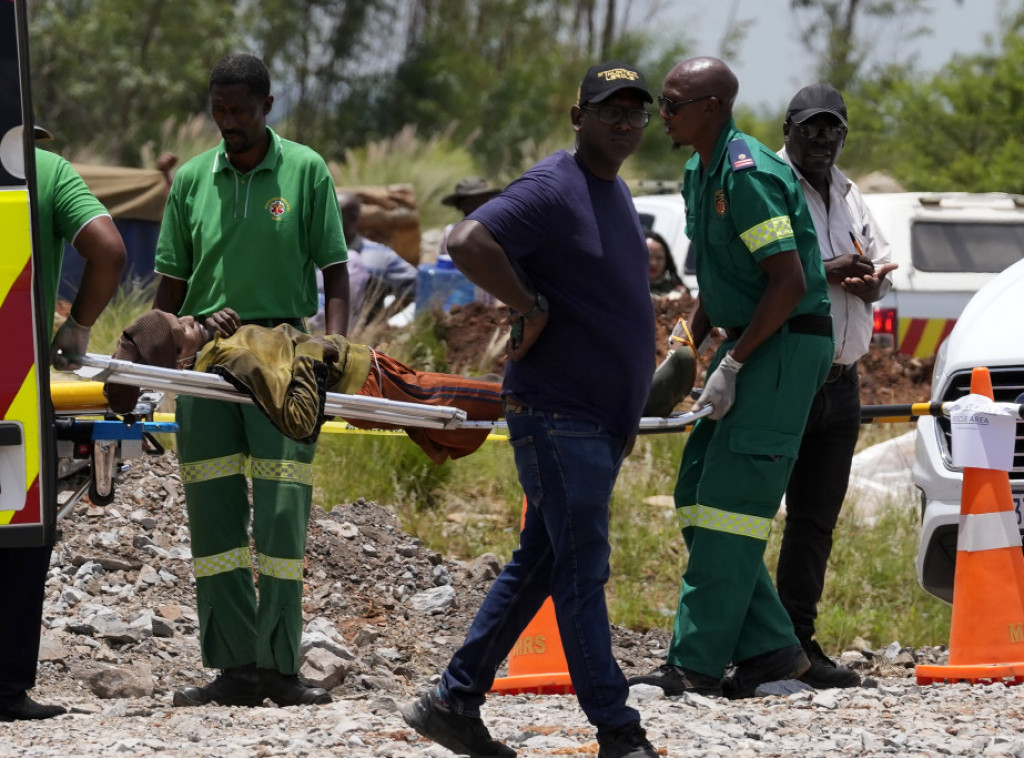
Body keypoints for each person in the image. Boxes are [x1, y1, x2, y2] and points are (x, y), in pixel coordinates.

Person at [401, 61, 661, 758]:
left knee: (542, 564)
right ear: (579, 118)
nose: (626, 122)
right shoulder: (554, 184)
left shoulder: (614, 192)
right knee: (582, 571)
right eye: (611, 110)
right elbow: (464, 241)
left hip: (596, 421)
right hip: (557, 413)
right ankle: (618, 730)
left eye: (636, 111)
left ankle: (453, 701)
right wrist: (527, 303)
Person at [628, 57, 834, 700]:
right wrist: (690, 337)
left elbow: (788, 281)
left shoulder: (747, 173)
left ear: (712, 107)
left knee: (729, 508)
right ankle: (772, 649)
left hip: (782, 345)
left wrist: (736, 362)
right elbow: (722, 275)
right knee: (696, 491)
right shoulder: (698, 169)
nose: (661, 113)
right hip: (748, 340)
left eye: (672, 102)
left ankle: (695, 663)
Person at [151, 53, 350, 709]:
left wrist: (333, 349)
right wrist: (160, 348)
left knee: (282, 515)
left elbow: (334, 271)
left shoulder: (305, 170)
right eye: (219, 110)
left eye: (240, 110)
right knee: (213, 516)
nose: (228, 122)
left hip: (285, 355)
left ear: (268, 106)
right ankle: (233, 668)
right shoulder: (188, 180)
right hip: (206, 358)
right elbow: (172, 287)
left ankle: (279, 669)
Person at [0, 126, 126, 721]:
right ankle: (3, 686)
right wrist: (76, 326)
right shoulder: (43, 169)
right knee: (19, 529)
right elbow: (109, 249)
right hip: (14, 384)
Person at [776, 83, 897, 689]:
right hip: (786, 379)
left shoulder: (850, 196)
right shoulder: (769, 185)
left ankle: (798, 644)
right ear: (789, 128)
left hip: (842, 382)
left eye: (834, 129)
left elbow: (878, 266)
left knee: (815, 521)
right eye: (812, 128)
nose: (823, 139)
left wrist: (873, 282)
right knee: (746, 516)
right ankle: (750, 646)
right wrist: (829, 273)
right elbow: (762, 277)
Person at [104, 308, 503, 463]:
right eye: (185, 327)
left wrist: (225, 324)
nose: (191, 317)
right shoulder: (230, 361)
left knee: (472, 402)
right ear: (179, 359)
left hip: (368, 371)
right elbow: (299, 423)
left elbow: (272, 354)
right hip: (364, 381)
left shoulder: (218, 348)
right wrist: (311, 355)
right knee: (490, 399)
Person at [337, 190, 417, 323]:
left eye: (335, 214)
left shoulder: (380, 256)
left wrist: (378, 321)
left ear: (354, 217)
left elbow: (415, 287)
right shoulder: (306, 253)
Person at [438, 177, 502, 258]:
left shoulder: (499, 230)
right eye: (470, 202)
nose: (477, 206)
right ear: (459, 206)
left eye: (482, 201)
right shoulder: (451, 231)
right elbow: (446, 262)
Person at [645, 229, 686, 296]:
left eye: (659, 258)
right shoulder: (627, 289)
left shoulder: (678, 291)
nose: (653, 263)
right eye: (648, 257)